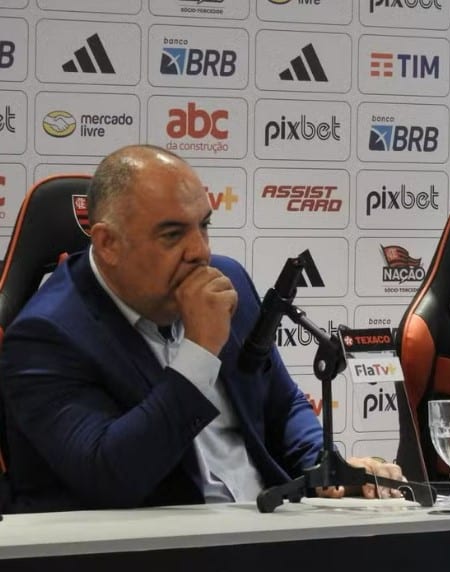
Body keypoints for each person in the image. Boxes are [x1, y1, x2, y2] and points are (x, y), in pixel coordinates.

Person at [0, 144, 402, 512]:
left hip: (267, 528)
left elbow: (281, 405)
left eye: (204, 226)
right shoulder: (45, 338)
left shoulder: (228, 281)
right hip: (145, 553)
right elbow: (112, 477)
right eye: (173, 234)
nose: (201, 251)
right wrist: (200, 353)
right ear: (108, 244)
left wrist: (325, 466)